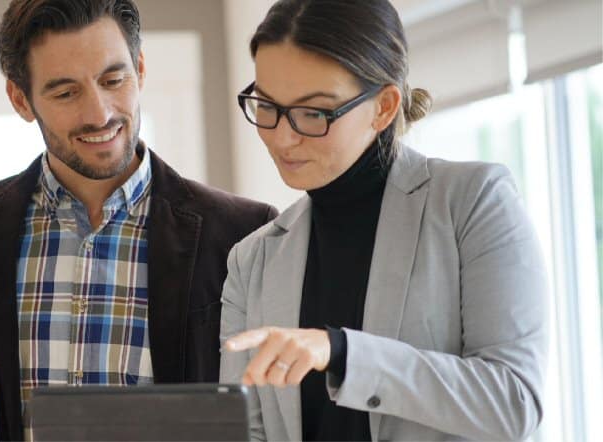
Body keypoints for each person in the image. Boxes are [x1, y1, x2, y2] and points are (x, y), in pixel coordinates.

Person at [0, 0, 277, 438]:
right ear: (21, 99)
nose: (99, 113)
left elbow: (276, 414)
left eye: (113, 80)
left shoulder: (244, 233)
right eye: (65, 92)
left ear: (140, 69)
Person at [219, 0, 548, 440]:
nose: (282, 136)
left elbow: (514, 403)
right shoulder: (252, 261)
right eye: (266, 105)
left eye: (313, 112)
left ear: (384, 106)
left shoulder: (472, 202)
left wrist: (342, 352)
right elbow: (245, 431)